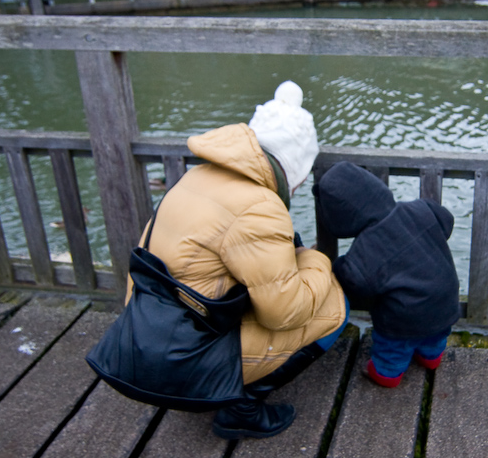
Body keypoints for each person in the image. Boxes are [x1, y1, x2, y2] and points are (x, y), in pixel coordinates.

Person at [130, 81, 348, 439]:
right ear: (293, 165)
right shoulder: (260, 208)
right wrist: (318, 261)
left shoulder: (196, 176)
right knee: (334, 307)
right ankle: (240, 408)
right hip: (182, 356)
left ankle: (223, 383)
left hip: (147, 330)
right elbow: (284, 312)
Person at [313, 161, 460, 387]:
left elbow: (353, 280)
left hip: (403, 321)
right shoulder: (421, 208)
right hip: (446, 303)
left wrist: (327, 265)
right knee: (436, 337)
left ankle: (386, 373)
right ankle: (430, 358)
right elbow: (446, 221)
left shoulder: (365, 250)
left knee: (393, 348)